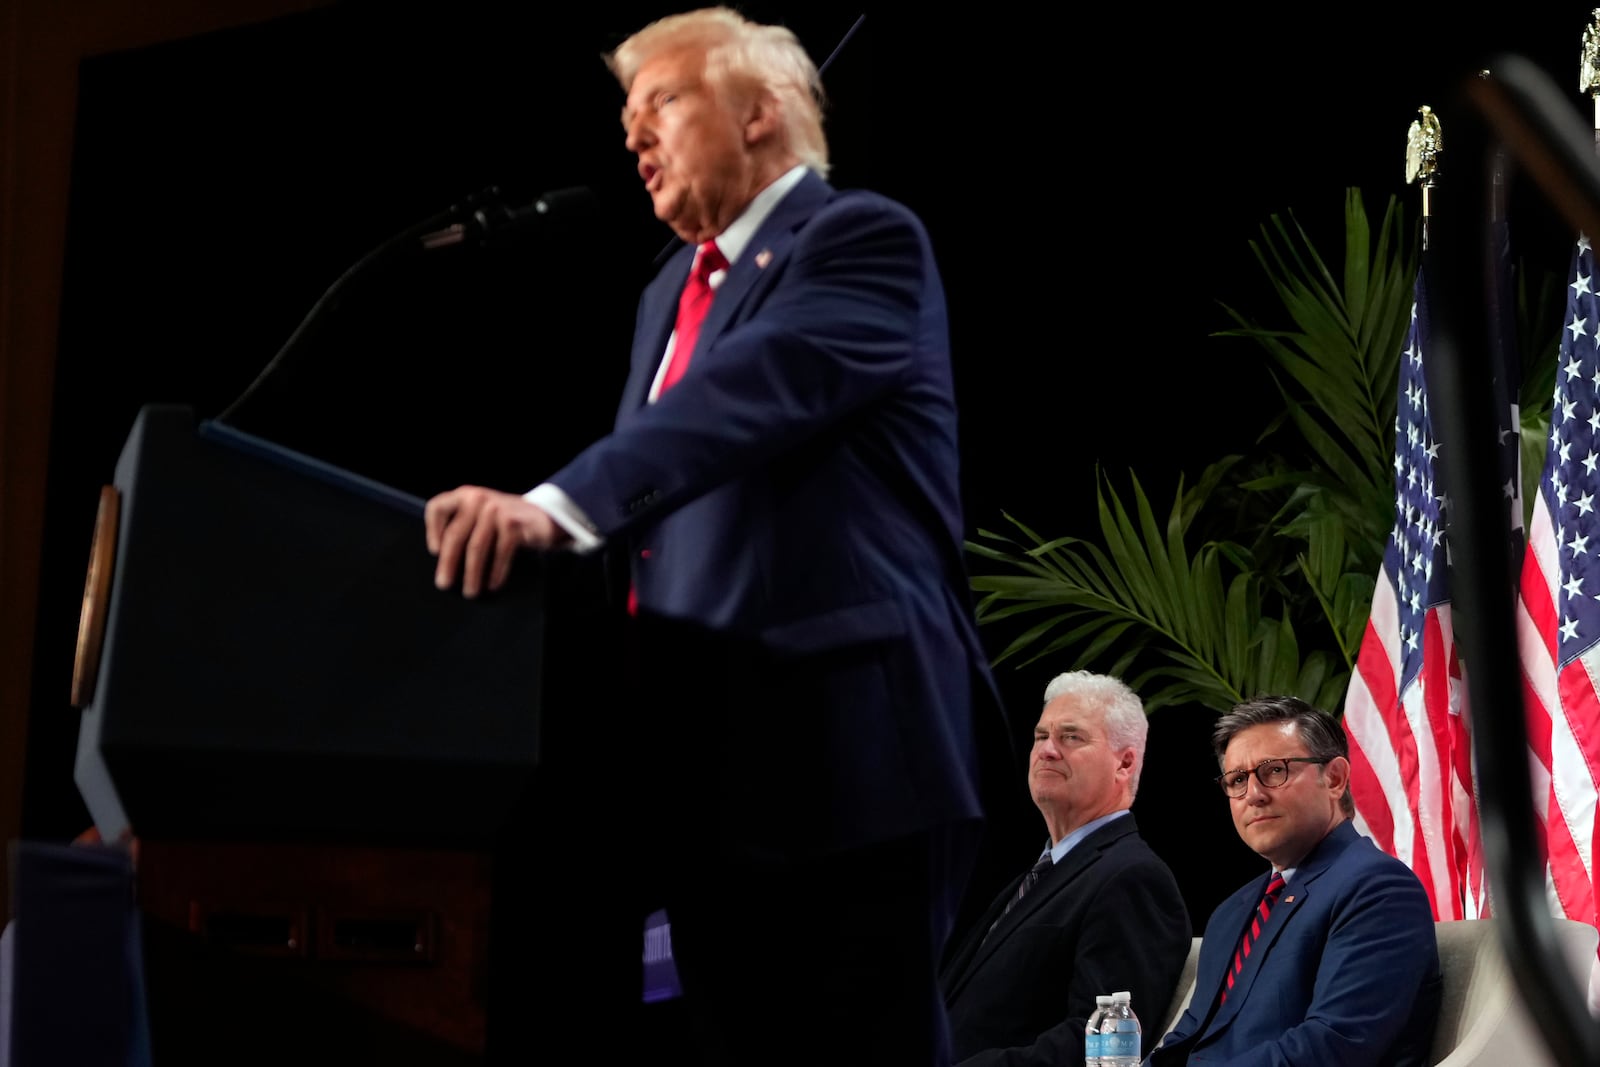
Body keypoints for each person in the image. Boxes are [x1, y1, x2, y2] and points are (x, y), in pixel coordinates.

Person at [423, 7, 1005, 1064]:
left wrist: (551, 506)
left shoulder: (859, 237)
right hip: (697, 758)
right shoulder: (664, 291)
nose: (634, 138)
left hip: (844, 741)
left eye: (661, 105)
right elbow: (658, 510)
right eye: (626, 119)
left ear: (757, 112)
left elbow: (747, 393)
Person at [1145, 695, 1442, 1066]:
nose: (1253, 795)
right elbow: (1186, 1038)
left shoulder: (1378, 889)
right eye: (1237, 780)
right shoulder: (1231, 912)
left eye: (1274, 771)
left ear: (1334, 778)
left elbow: (1332, 1046)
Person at [940, 670, 1190, 1066]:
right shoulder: (1041, 874)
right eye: (1041, 736)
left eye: (1071, 737)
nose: (1047, 750)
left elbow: (1097, 1047)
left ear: (1125, 763)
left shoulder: (1134, 878)